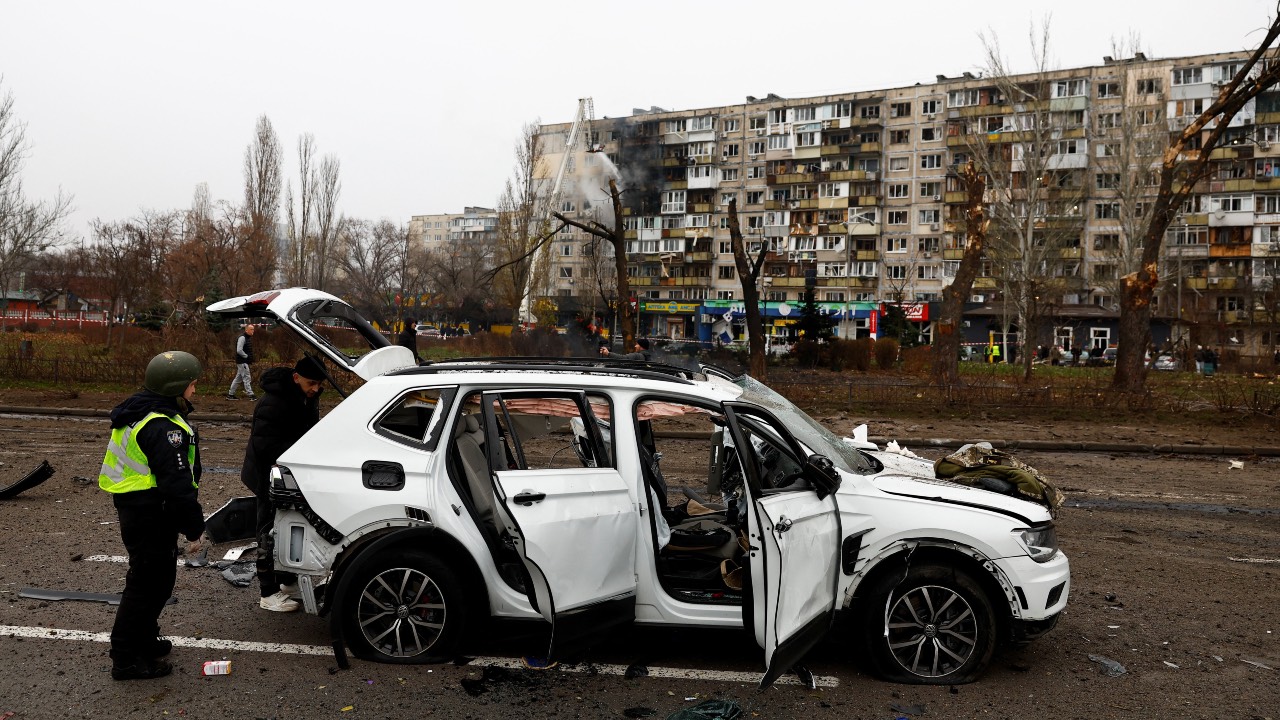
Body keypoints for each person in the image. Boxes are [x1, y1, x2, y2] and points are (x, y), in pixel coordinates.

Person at [99, 351, 207, 680]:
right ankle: (126, 659)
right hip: (149, 513)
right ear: (176, 387)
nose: (195, 390)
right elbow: (177, 486)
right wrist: (194, 528)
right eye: (192, 385)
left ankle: (144, 640)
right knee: (147, 586)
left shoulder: (142, 410)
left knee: (155, 582)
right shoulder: (162, 426)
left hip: (139, 509)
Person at [240, 356, 326, 612]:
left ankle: (287, 583)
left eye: (320, 384)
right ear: (296, 377)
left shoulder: (305, 396)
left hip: (288, 475)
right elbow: (266, 447)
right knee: (268, 531)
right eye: (312, 383)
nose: (316, 389)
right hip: (269, 476)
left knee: (290, 527)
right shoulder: (273, 403)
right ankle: (267, 593)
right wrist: (302, 456)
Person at [226, 324, 257, 400]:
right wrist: (246, 356)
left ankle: (230, 394)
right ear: (246, 330)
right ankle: (251, 395)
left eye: (253, 329)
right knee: (247, 377)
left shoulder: (247, 338)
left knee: (238, 378)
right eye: (251, 329)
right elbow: (239, 350)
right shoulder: (243, 338)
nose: (253, 331)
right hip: (242, 361)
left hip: (242, 361)